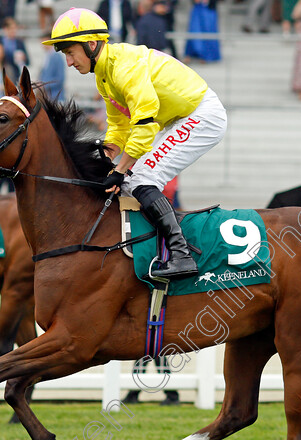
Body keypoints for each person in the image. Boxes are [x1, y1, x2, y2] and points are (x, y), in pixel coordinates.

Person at [43, 8, 228, 279]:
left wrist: (120, 170)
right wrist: (104, 160)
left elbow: (144, 123)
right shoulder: (104, 75)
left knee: (141, 178)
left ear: (91, 44)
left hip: (201, 115)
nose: (69, 62)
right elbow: (119, 127)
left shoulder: (124, 67)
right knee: (131, 182)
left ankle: (182, 255)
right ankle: (151, 250)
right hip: (178, 119)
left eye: (70, 53)